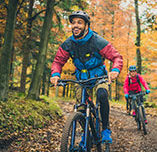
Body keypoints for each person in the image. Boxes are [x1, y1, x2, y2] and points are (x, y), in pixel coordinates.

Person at [50, 11, 123, 144]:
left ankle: (105, 129)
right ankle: (86, 133)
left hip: (99, 76)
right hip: (81, 78)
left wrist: (115, 70)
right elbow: (58, 62)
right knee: (81, 109)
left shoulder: (97, 41)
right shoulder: (68, 43)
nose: (75, 26)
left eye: (79, 22)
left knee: (102, 94)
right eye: (73, 23)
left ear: (86, 25)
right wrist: (55, 74)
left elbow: (116, 57)